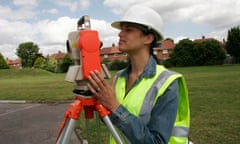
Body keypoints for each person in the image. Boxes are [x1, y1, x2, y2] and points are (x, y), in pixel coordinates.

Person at [87, 5, 190, 144]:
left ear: (148, 38)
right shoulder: (119, 78)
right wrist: (101, 100)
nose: (120, 34)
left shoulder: (167, 82)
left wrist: (115, 107)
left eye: (128, 30)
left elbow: (157, 141)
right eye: (121, 29)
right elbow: (113, 123)